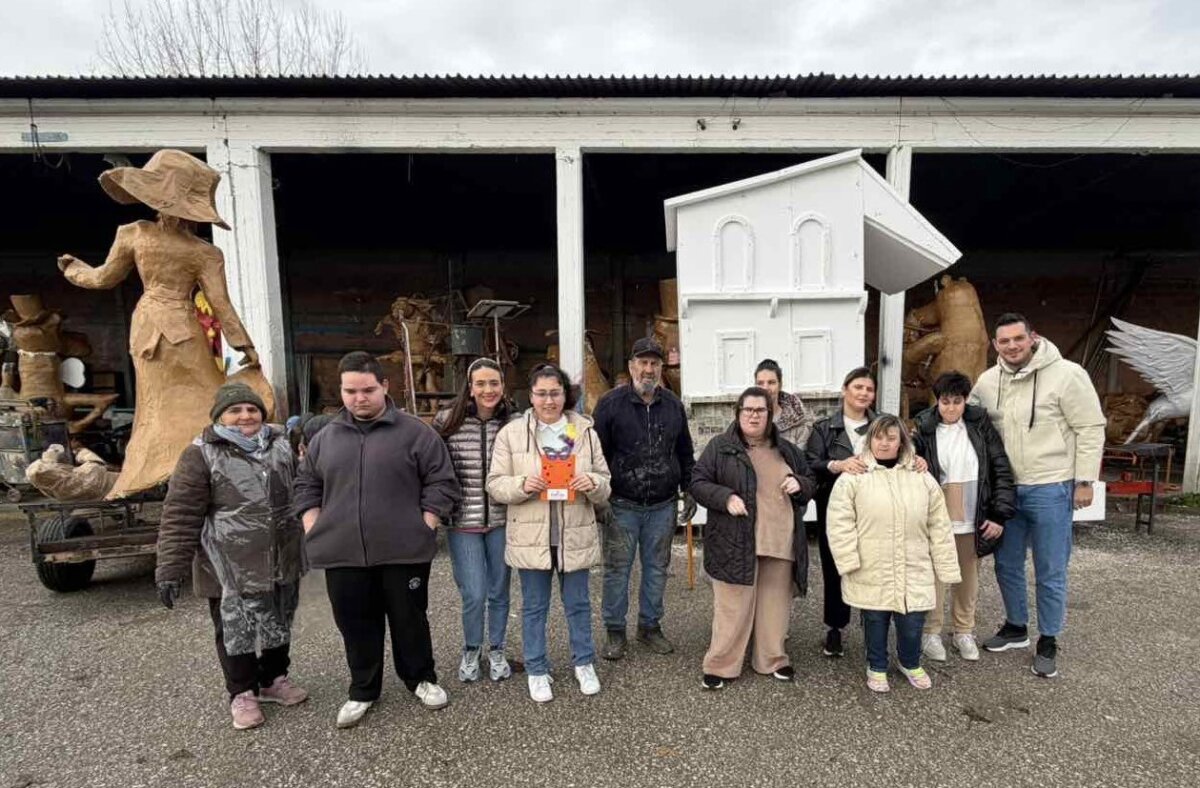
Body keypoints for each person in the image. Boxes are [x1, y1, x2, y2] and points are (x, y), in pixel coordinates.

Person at [57, 150, 264, 499]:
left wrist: (74, 270)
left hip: (157, 326)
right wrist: (244, 344)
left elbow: (102, 278)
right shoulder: (194, 249)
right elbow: (220, 305)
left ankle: (182, 468)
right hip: (172, 330)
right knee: (182, 399)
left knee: (164, 403)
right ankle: (162, 470)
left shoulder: (139, 234)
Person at [293, 352, 461, 728]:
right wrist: (313, 523)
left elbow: (441, 480)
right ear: (341, 390)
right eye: (350, 391)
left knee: (409, 618)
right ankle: (362, 689)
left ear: (385, 386)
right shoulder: (326, 438)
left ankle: (420, 678)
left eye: (368, 389)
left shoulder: (416, 432)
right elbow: (306, 484)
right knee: (355, 623)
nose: (359, 398)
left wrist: (427, 522)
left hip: (404, 550)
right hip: (343, 553)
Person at [155, 382, 307, 730]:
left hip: (281, 556)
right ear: (220, 416)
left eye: (252, 409)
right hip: (227, 563)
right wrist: (169, 568)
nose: (245, 416)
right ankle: (242, 692)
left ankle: (272, 680)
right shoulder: (201, 454)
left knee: (278, 620)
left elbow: (306, 487)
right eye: (235, 410)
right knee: (235, 628)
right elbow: (180, 513)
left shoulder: (282, 444)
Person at [970, 313, 1106, 678]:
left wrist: (1085, 480)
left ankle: (1048, 637)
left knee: (1050, 568)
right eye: (1004, 341)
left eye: (1018, 339)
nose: (1012, 346)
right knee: (1007, 563)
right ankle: (1016, 626)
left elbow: (1090, 428)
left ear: (1033, 337)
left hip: (1052, 484)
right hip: (1007, 491)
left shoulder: (1067, 375)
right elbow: (965, 419)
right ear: (995, 345)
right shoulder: (986, 382)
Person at [486, 364, 612, 703]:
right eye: (541, 393)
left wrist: (594, 484)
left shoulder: (583, 431)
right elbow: (495, 484)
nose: (548, 400)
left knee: (579, 604)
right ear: (531, 396)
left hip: (574, 532)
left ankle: (584, 663)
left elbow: (605, 481)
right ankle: (537, 669)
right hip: (531, 535)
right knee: (534, 606)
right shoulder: (512, 434)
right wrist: (522, 484)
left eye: (555, 392)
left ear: (564, 394)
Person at [690, 386, 816, 690]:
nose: (754, 416)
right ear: (738, 413)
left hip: (779, 539)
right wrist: (725, 497)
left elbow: (811, 481)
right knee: (733, 606)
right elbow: (697, 482)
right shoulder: (720, 447)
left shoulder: (786, 450)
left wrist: (799, 483)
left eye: (760, 410)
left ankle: (772, 659)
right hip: (735, 541)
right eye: (748, 410)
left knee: (775, 605)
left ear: (770, 415)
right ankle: (720, 665)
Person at [825, 415, 960, 693]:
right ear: (870, 440)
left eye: (891, 438)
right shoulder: (854, 478)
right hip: (871, 564)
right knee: (875, 619)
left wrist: (946, 565)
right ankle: (876, 665)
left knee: (912, 621)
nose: (884, 443)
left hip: (914, 564)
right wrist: (849, 560)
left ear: (901, 443)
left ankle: (910, 662)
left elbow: (939, 524)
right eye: (878, 437)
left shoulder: (921, 477)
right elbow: (839, 522)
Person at [593, 337, 696, 659]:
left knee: (657, 568)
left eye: (654, 363)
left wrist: (689, 488)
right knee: (617, 570)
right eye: (642, 362)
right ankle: (615, 630)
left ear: (661, 368)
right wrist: (600, 499)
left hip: (663, 505)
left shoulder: (673, 405)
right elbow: (597, 455)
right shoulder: (610, 404)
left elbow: (685, 452)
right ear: (631, 366)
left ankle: (650, 626)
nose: (648, 369)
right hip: (622, 504)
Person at [912, 371, 1017, 662]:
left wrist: (998, 514)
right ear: (937, 401)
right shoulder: (923, 426)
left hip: (974, 511)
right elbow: (908, 460)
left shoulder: (980, 425)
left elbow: (1000, 468)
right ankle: (931, 632)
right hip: (938, 513)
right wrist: (914, 458)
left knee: (967, 576)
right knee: (935, 575)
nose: (950, 408)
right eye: (945, 402)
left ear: (966, 400)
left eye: (957, 402)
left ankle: (963, 630)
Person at [433, 357, 517, 684]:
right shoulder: (446, 422)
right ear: (470, 388)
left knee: (499, 590)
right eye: (480, 383)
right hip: (462, 523)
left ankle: (496, 648)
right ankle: (471, 649)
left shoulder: (514, 422)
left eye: (493, 383)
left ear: (503, 386)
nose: (487, 390)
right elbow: (429, 465)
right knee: (474, 592)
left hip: (503, 520)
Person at [754, 359, 816, 448]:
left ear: (780, 385)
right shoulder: (746, 419)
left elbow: (803, 458)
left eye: (771, 382)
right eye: (760, 383)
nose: (765, 388)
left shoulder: (798, 419)